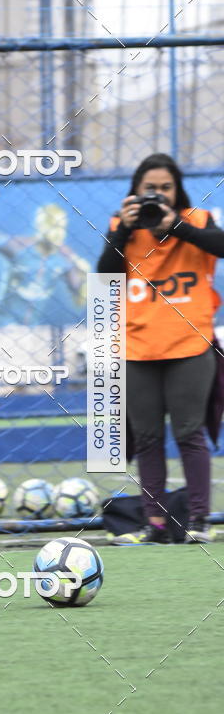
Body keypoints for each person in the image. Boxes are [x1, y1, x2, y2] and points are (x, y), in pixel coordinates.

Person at [97, 153, 224, 544]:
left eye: (166, 188)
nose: (158, 195)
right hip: (137, 349)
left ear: (177, 190)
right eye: (149, 188)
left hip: (190, 345)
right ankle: (154, 523)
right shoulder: (121, 226)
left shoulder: (197, 220)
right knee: (147, 437)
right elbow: (105, 278)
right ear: (135, 191)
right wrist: (124, 230)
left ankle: (199, 521)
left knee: (189, 433)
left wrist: (176, 226)